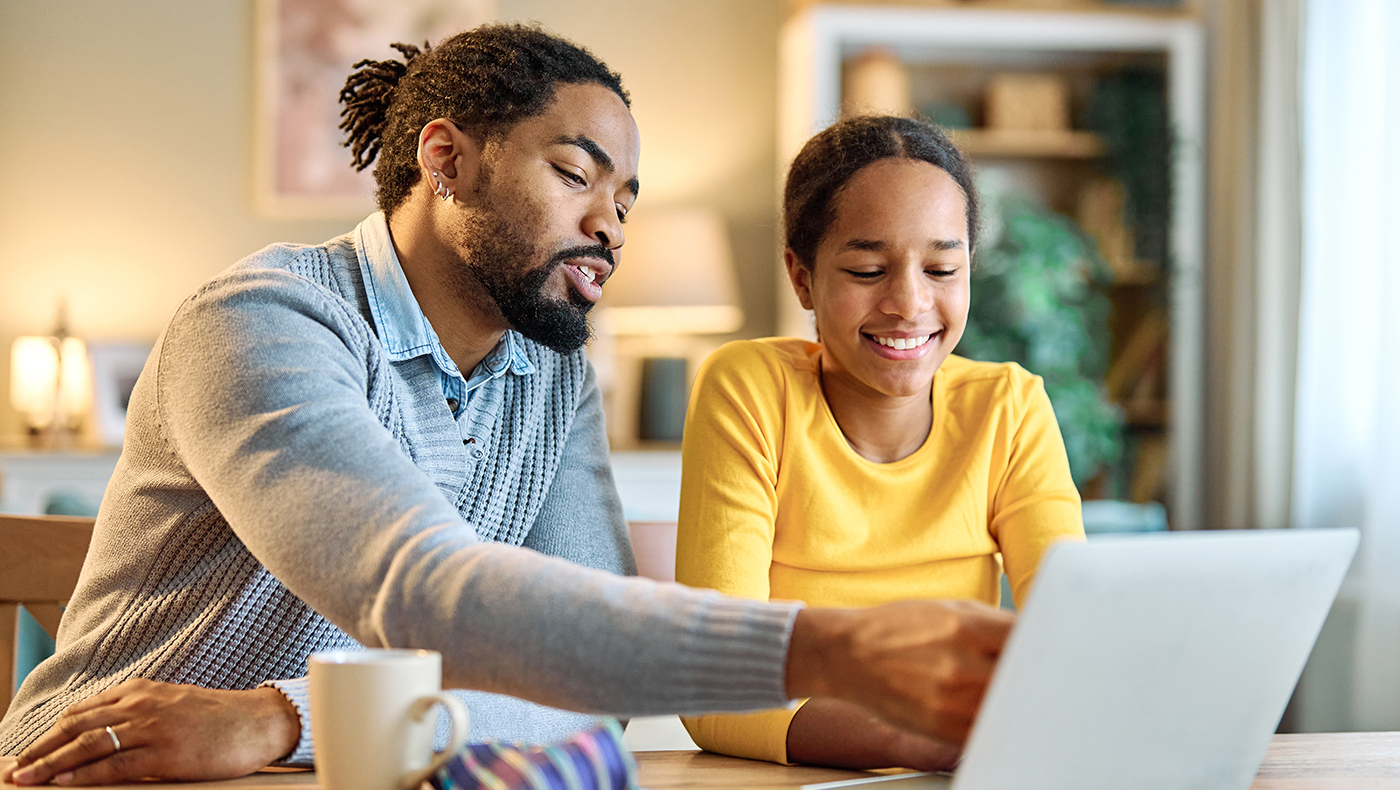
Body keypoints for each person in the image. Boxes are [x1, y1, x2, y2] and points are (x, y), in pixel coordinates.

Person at [0, 28, 1014, 787]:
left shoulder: (547, 374)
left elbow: (586, 690)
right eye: (576, 174)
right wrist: (829, 648)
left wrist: (279, 718)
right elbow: (419, 586)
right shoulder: (267, 322)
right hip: (97, 768)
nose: (607, 227)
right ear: (445, 161)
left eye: (623, 201)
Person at [675, 115, 1085, 770]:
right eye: (869, 269)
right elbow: (718, 683)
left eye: (943, 268)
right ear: (803, 278)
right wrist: (915, 742)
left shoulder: (1009, 407)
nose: (909, 302)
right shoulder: (749, 390)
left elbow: (1075, 636)